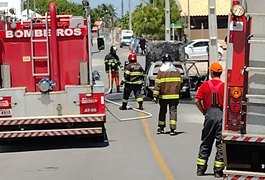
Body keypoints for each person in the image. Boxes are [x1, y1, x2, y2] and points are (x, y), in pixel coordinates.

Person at [195, 62, 224, 178]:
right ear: (220, 73)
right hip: (220, 114)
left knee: (206, 141)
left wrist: (203, 112)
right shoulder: (224, 86)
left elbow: (197, 100)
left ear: (212, 72)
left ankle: (200, 169)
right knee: (220, 143)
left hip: (209, 114)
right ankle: (218, 170)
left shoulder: (205, 85)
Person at [153, 54, 182, 136]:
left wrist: (155, 96)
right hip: (174, 96)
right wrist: (178, 92)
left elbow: (157, 84)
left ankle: (161, 128)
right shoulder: (177, 72)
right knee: (173, 111)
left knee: (162, 111)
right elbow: (181, 83)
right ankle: (172, 129)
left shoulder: (161, 72)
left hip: (163, 96)